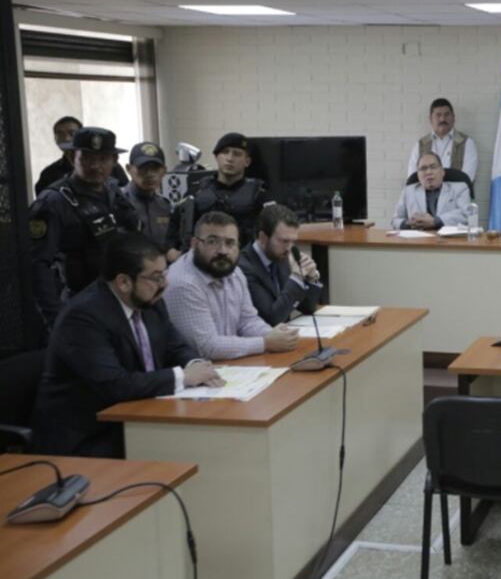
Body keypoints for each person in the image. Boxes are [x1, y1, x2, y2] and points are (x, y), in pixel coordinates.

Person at [32, 233, 223, 458]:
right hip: (89, 438)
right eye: (156, 277)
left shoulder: (150, 303)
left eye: (165, 273)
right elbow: (116, 385)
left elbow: (176, 346)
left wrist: (197, 364)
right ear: (123, 282)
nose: (165, 284)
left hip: (139, 417)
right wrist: (183, 377)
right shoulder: (83, 318)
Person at [28, 126, 142, 328]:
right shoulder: (53, 202)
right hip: (76, 306)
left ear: (114, 161)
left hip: (118, 301)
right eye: (87, 158)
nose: (95, 166)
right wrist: (56, 320)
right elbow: (38, 266)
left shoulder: (114, 192)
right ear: (73, 158)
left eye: (102, 159)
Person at [163, 211, 300, 360]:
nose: (222, 250)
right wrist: (265, 342)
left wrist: (274, 335)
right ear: (195, 244)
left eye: (230, 243)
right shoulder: (183, 283)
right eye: (212, 241)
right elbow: (208, 347)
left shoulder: (233, 273)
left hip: (227, 367)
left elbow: (248, 321)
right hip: (194, 374)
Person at [167, 132, 269, 250]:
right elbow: (175, 222)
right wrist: (171, 249)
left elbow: (272, 228)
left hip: (243, 259)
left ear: (247, 162)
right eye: (225, 152)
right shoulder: (197, 190)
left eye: (237, 154)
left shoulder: (258, 193)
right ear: (216, 157)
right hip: (201, 258)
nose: (230, 159)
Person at [238, 204, 322, 326]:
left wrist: (311, 278)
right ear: (263, 238)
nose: (289, 248)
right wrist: (297, 278)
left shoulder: (279, 256)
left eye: (293, 241)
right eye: (284, 241)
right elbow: (273, 318)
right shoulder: (244, 268)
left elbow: (308, 307)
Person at [34, 116, 128, 195]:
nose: (66, 138)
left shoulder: (112, 168)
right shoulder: (49, 174)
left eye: (72, 133)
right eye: (60, 134)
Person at [123, 141, 178, 260]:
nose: (150, 174)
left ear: (164, 171)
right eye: (143, 168)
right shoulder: (117, 202)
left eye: (155, 168)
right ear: (129, 169)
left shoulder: (166, 206)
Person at [392, 152, 471, 230]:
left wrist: (435, 221)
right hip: (417, 240)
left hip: (449, 240)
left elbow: (467, 214)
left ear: (442, 172)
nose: (428, 172)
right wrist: (408, 223)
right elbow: (395, 220)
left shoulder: (460, 188)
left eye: (433, 167)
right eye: (423, 168)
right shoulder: (408, 191)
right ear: (418, 175)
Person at [406, 98, 478, 183]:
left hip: (457, 195)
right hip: (426, 195)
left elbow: (468, 178)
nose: (442, 119)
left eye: (447, 115)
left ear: (453, 118)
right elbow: (413, 177)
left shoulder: (466, 143)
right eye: (438, 115)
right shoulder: (420, 145)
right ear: (430, 119)